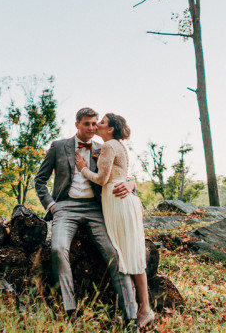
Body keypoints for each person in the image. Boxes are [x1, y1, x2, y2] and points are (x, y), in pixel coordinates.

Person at [34, 107, 138, 328]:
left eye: (94, 124)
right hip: (65, 207)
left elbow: (123, 176)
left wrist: (131, 185)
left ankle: (131, 316)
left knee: (115, 253)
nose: (91, 128)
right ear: (77, 125)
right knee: (57, 248)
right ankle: (70, 309)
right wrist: (51, 205)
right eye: (87, 124)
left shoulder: (105, 147)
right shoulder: (58, 146)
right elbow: (40, 180)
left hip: (96, 208)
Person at [75, 113, 155, 329]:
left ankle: (145, 309)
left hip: (118, 201)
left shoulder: (110, 146)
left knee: (129, 255)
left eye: (101, 122)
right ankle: (137, 308)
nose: (97, 125)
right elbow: (116, 171)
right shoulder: (115, 145)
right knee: (130, 254)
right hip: (119, 201)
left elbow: (102, 179)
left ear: (110, 129)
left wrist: (83, 168)